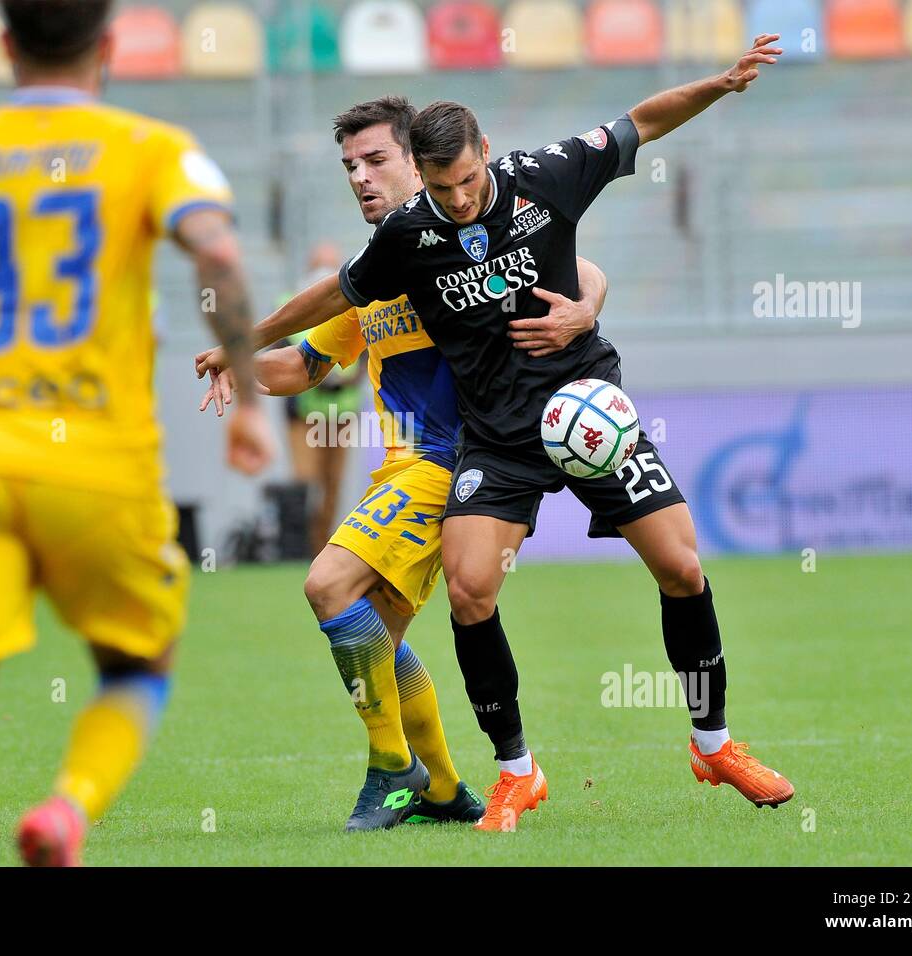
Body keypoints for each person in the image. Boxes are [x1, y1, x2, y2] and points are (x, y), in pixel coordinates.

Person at [199, 36, 795, 832]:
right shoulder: (407, 235)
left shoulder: (545, 175)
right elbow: (330, 301)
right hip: (497, 436)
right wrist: (242, 345)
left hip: (585, 410)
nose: (460, 201)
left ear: (486, 153)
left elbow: (642, 123)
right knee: (471, 590)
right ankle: (513, 773)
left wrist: (720, 85)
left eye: (468, 181)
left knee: (682, 568)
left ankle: (713, 744)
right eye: (443, 189)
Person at [0, 0, 274, 866]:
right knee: (136, 667)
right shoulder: (152, 149)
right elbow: (221, 254)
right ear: (109, 45)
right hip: (96, 462)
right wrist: (248, 405)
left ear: (5, 45)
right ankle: (66, 812)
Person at [198, 98, 608, 829]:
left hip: (451, 462)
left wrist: (582, 310)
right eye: (350, 166)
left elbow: (581, 269)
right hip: (399, 468)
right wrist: (239, 361)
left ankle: (394, 769)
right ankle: (443, 789)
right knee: (377, 641)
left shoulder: (460, 240)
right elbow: (305, 364)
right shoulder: (386, 261)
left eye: (377, 160)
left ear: (418, 162)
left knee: (327, 585)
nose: (360, 177)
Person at [278, 242, 367, 557]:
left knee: (333, 485)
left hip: (342, 413)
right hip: (305, 414)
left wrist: (347, 378)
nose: (324, 273)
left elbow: (365, 356)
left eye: (331, 265)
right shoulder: (291, 304)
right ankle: (297, 549)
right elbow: (301, 352)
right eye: (319, 265)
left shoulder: (356, 304)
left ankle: (319, 550)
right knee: (305, 482)